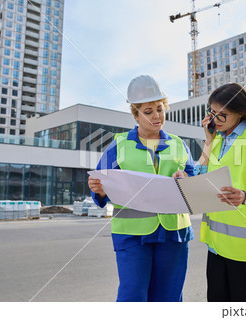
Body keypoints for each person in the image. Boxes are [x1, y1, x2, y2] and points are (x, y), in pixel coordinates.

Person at [88, 75, 195, 302]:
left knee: (169, 297)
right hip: (132, 235)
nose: (156, 116)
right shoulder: (119, 145)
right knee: (133, 296)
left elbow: (192, 180)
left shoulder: (179, 144)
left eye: (159, 109)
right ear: (135, 115)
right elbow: (100, 187)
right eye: (148, 112)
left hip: (174, 234)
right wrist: (99, 190)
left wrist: (185, 177)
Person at [195, 83, 246, 302]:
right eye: (212, 114)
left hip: (245, 246)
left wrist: (245, 196)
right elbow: (201, 172)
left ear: (241, 112)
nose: (215, 120)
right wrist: (209, 139)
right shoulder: (217, 139)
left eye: (222, 115)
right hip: (216, 244)